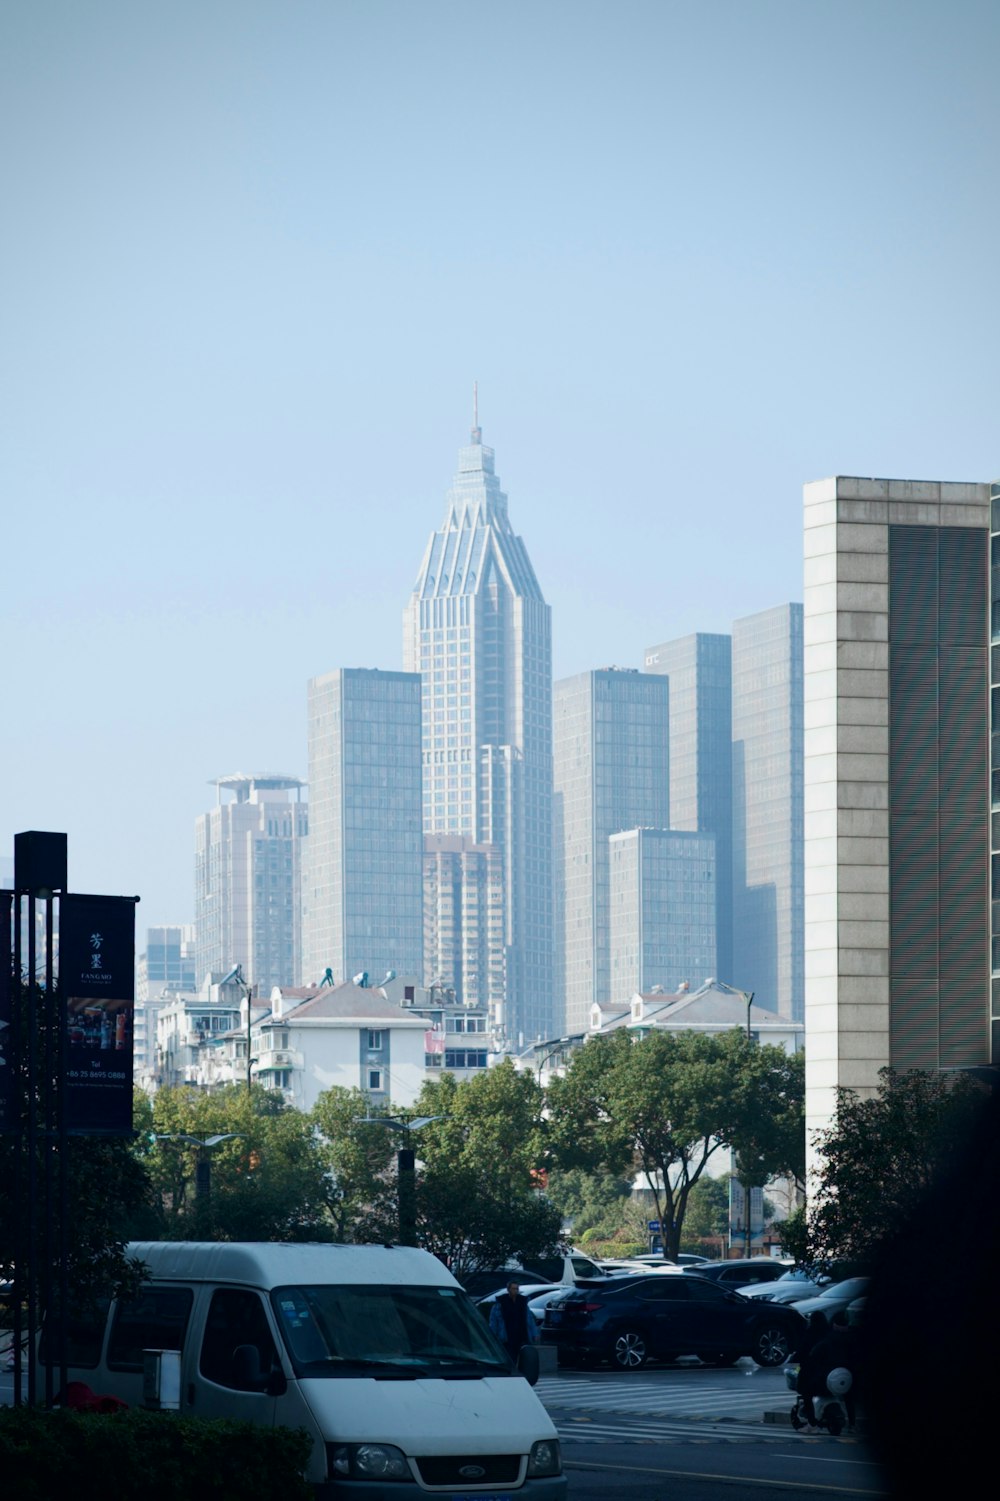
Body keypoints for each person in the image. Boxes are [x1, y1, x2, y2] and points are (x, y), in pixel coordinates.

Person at [488, 1282, 540, 1363]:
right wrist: (493, 1335)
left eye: (517, 1289)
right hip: (507, 1336)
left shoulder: (522, 1302)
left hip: (522, 1335)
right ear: (508, 1290)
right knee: (510, 1357)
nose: (515, 1291)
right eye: (513, 1288)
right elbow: (494, 1321)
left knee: (524, 1358)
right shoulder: (500, 1304)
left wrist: (535, 1333)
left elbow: (530, 1319)